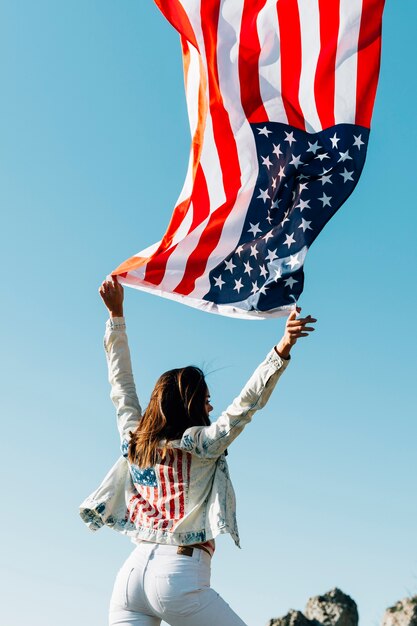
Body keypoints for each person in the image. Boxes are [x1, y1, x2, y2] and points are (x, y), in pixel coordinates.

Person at [80, 278, 316, 626]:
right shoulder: (203, 445)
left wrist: (116, 316)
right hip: (178, 574)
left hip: (130, 577)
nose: (211, 406)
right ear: (191, 405)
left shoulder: (135, 442)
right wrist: (281, 349)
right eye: (206, 400)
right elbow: (245, 405)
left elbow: (121, 385)